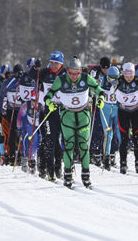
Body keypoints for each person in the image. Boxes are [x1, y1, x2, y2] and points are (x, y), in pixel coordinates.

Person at [44, 56, 103, 189]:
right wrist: (49, 103)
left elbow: (99, 90)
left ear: (80, 71)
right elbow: (48, 95)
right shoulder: (61, 80)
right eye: (71, 73)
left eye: (76, 73)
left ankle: (86, 175)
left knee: (83, 145)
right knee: (69, 145)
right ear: (67, 71)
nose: (74, 76)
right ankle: (68, 175)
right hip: (67, 114)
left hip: (83, 114)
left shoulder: (86, 78)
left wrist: (101, 99)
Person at [114, 62, 138, 174]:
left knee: (137, 138)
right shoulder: (119, 81)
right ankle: (123, 163)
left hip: (136, 110)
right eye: (126, 74)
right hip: (123, 111)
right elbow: (110, 87)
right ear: (123, 73)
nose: (128, 77)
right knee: (124, 138)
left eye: (131, 74)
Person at [36, 51, 65, 181]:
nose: (53, 65)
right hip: (48, 111)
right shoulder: (45, 73)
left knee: (59, 142)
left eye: (57, 63)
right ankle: (48, 169)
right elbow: (31, 76)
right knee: (48, 140)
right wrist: (35, 68)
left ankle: (58, 167)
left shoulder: (66, 74)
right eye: (52, 62)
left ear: (62, 64)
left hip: (63, 111)